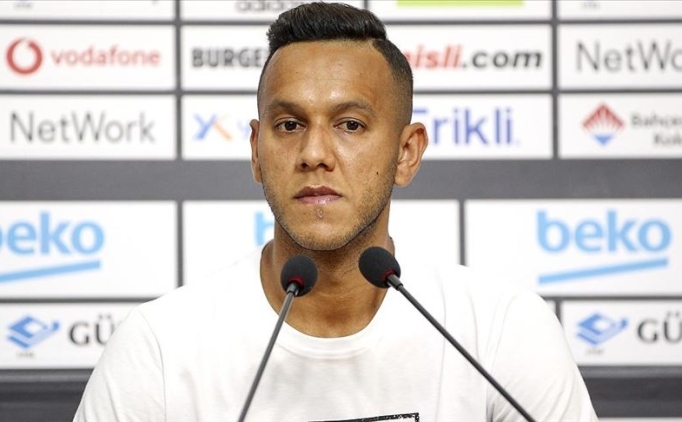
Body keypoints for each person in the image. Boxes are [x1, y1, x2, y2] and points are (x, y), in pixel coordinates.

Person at [73, 3, 598, 421]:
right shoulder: (159, 346)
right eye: (289, 125)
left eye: (350, 125)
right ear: (256, 152)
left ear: (406, 153)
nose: (314, 153)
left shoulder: (501, 331)